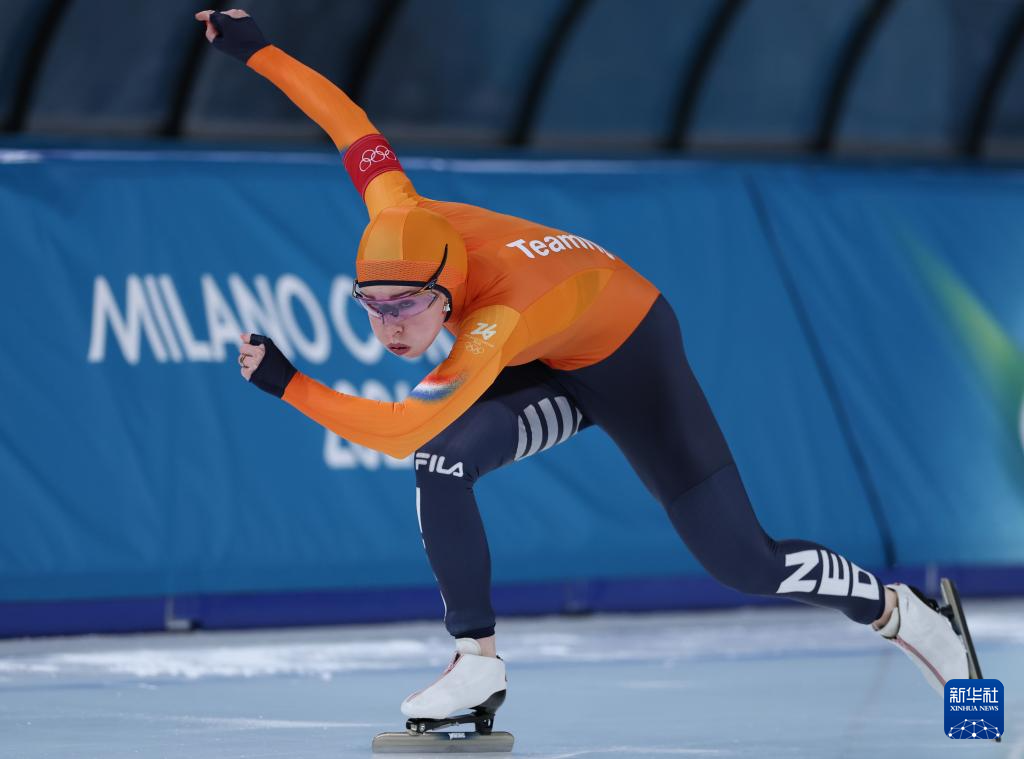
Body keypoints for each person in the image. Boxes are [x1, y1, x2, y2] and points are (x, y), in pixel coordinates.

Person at [197, 9, 969, 728]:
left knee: (743, 561)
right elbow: (347, 122)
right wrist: (257, 49)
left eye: (407, 305)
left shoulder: (496, 319)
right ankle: (476, 664)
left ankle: (908, 615)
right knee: (444, 463)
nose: (390, 324)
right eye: (372, 304)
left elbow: (399, 429)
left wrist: (289, 383)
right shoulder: (395, 212)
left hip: (631, 354)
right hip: (553, 349)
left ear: (449, 288)